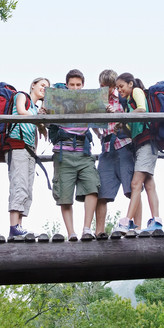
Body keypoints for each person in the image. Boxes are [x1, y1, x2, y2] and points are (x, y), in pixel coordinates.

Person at [49, 69, 100, 240]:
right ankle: (71, 232)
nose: (75, 88)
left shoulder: (89, 103)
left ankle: (87, 228)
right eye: (72, 85)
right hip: (63, 153)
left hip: (84, 152)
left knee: (92, 187)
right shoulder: (59, 102)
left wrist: (106, 109)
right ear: (67, 85)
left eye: (78, 85)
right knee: (65, 195)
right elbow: (47, 119)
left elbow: (101, 120)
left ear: (83, 86)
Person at [114, 72, 163, 232]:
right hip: (140, 144)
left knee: (135, 184)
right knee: (149, 184)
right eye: (117, 88)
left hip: (147, 143)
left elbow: (142, 110)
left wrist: (124, 117)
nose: (119, 90)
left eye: (121, 86)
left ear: (130, 83)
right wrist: (122, 126)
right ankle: (156, 221)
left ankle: (127, 221)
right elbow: (132, 130)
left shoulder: (136, 91)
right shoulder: (128, 103)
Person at [94, 69, 141, 235]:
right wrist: (98, 133)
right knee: (101, 193)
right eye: (102, 86)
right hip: (106, 149)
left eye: (109, 86)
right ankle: (99, 231)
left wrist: (117, 114)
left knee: (132, 189)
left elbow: (133, 115)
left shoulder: (123, 98)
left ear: (114, 86)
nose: (105, 89)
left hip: (124, 145)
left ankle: (136, 227)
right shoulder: (96, 101)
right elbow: (91, 123)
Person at [7, 77, 50, 238]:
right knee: (19, 185)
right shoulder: (22, 96)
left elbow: (37, 131)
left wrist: (41, 118)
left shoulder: (36, 107)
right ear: (33, 85)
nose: (44, 89)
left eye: (47, 88)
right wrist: (38, 118)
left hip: (30, 151)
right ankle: (13, 227)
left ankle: (19, 227)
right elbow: (21, 112)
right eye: (42, 85)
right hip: (17, 146)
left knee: (27, 188)